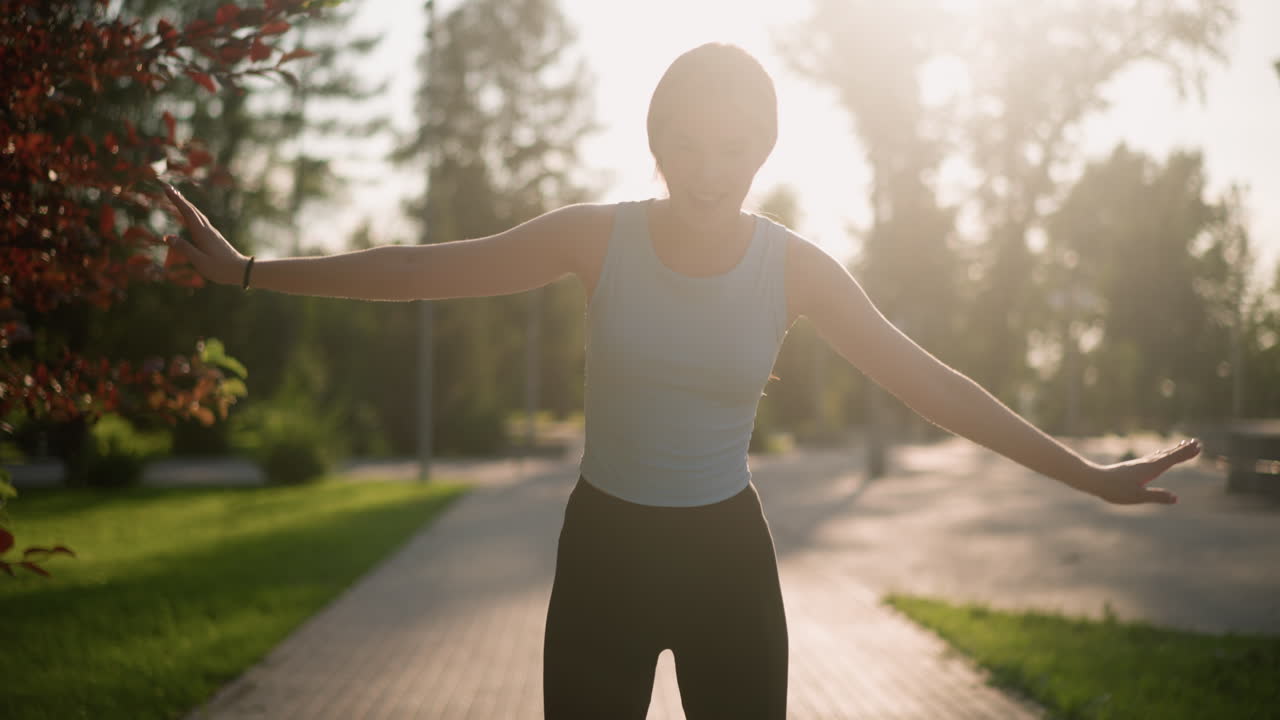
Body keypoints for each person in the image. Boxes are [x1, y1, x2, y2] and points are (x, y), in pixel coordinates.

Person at [163, 42, 1202, 720]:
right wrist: (249, 269)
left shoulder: (792, 266)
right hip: (604, 553)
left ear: (761, 149)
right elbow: (421, 269)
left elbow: (929, 383)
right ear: (658, 143)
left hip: (726, 566)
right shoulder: (595, 239)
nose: (712, 167)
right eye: (690, 143)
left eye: (736, 146)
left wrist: (1086, 473)